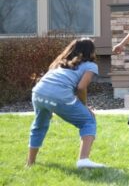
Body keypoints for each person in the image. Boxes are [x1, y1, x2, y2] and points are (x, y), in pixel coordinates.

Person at [26, 38, 106, 168]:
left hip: (38, 93)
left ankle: (30, 163)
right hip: (59, 96)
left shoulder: (60, 64)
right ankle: (83, 160)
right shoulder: (91, 66)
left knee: (39, 125)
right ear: (91, 52)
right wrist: (85, 107)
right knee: (88, 120)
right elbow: (81, 87)